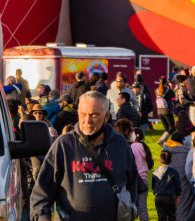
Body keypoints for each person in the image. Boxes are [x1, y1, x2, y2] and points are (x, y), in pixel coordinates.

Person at [30, 90, 140, 221]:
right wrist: (43, 217)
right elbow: (41, 192)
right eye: (83, 114)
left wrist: (131, 209)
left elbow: (133, 184)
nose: (87, 120)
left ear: (106, 116)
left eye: (94, 115)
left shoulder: (120, 144)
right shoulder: (64, 145)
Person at [118, 117, 153, 221]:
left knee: (130, 207)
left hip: (136, 180)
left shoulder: (132, 147)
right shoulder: (144, 147)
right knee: (143, 208)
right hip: (144, 180)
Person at [151, 149, 183, 221]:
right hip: (170, 197)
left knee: (161, 217)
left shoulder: (155, 171)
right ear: (171, 160)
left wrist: (155, 192)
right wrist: (178, 196)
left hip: (158, 197)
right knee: (171, 216)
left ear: (159, 160)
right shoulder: (174, 172)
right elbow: (178, 185)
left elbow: (153, 184)